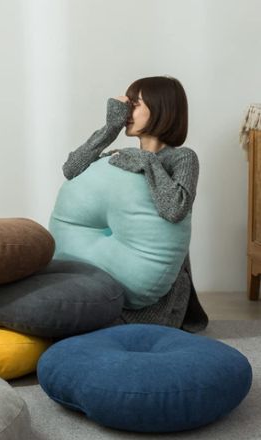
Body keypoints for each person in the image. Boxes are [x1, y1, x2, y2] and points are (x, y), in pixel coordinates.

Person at [61, 75, 208, 332]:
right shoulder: (123, 158)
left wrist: (147, 161)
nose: (127, 111)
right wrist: (110, 127)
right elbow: (70, 169)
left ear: (162, 108)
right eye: (126, 105)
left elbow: (174, 208)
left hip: (159, 297)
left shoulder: (182, 158)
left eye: (135, 104)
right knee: (68, 311)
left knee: (86, 324)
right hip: (116, 276)